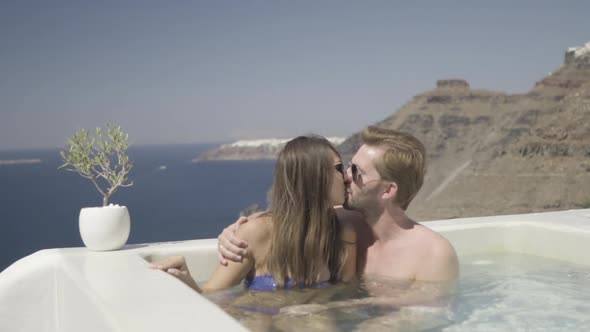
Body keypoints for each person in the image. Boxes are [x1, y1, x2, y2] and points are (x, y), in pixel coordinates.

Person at [218, 126, 459, 304]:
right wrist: (233, 233)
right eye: (347, 166)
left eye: (357, 171)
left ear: (388, 190)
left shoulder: (433, 255)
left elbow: (420, 320)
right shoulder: (342, 223)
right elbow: (282, 219)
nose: (345, 175)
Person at [150, 135, 356, 293]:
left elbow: (342, 294)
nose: (347, 176)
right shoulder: (257, 232)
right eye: (339, 168)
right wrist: (185, 277)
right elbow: (212, 296)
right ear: (315, 177)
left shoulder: (343, 231)